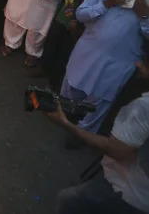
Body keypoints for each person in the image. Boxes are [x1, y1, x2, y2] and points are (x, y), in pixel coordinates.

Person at [45, 61, 149, 214]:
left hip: (128, 192)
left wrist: (65, 123)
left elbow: (116, 150)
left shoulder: (143, 107)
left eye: (147, 64)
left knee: (67, 202)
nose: (139, 64)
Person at [61, 0, 149, 136]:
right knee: (73, 86)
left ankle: (82, 134)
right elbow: (80, 15)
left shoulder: (146, 0)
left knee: (100, 100)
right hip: (87, 51)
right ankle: (64, 116)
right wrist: (106, 4)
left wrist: (144, 16)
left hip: (119, 63)